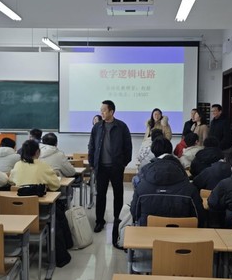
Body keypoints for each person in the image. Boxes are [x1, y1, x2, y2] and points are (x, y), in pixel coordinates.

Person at [131, 137, 205, 227]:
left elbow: (134, 212)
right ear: (170, 150)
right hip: (182, 232)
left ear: (153, 151)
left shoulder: (144, 173)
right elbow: (199, 216)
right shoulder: (184, 177)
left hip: (148, 230)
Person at [88, 100, 132, 239]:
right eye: (101, 110)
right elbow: (91, 146)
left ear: (111, 111)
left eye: (104, 110)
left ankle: (117, 220)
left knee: (118, 194)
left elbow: (128, 147)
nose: (101, 112)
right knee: (100, 195)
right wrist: (92, 163)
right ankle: (99, 221)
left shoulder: (121, 127)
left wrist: (123, 163)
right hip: (101, 167)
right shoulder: (97, 127)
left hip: (116, 167)